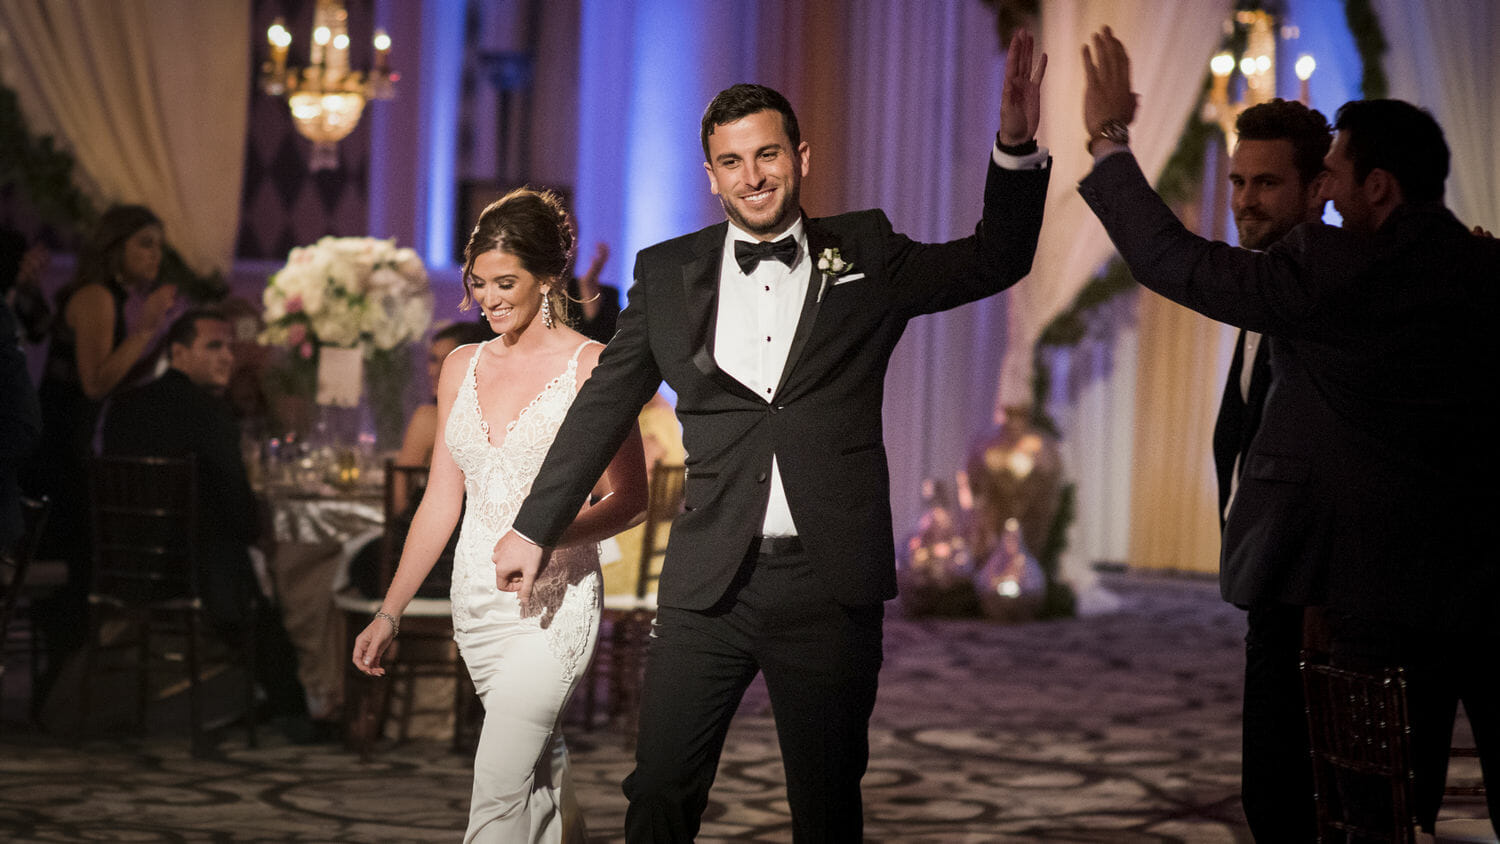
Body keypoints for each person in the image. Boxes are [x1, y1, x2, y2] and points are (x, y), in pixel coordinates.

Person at [492, 29, 1051, 841]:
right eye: (732, 161)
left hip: (828, 584)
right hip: (709, 583)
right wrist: (532, 525)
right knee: (657, 796)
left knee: (826, 807)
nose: (752, 176)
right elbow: (603, 406)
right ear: (710, 174)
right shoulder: (666, 272)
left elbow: (997, 258)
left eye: (768, 155)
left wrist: (1015, 146)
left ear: (801, 157)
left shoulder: (866, 252)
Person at [1079, 27, 1498, 835]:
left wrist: (1109, 141)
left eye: (1331, 178)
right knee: (1390, 800)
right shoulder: (1480, 268)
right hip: (1451, 581)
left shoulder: (1335, 270)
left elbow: (1173, 261)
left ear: (1367, 188)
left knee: (1359, 805)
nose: (1329, 200)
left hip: (1364, 592)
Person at [351, 188, 648, 842]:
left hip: (554, 605)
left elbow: (631, 499)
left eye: (504, 282)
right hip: (477, 604)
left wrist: (547, 536)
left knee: (497, 785)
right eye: (477, 283)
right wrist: (389, 610)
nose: (487, 298)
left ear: (548, 279)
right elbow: (440, 501)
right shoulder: (460, 365)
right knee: (536, 775)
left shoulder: (593, 368)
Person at [102, 308, 316, 738]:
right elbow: (238, 507)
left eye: (229, 347)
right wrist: (259, 534)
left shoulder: (124, 406)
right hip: (189, 573)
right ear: (178, 352)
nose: (227, 357)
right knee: (261, 569)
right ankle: (292, 707)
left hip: (120, 563)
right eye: (213, 346)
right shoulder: (209, 412)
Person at [1210, 99, 1331, 842]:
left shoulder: (1327, 286)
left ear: (1317, 189)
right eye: (1237, 181)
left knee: (1309, 795)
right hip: (1270, 581)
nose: (1245, 201)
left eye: (1266, 184)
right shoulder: (1261, 281)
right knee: (1271, 794)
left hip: (1318, 590)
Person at [23, 205, 177, 693]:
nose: (156, 255)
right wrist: (147, 329)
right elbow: (94, 383)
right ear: (116, 248)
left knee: (83, 567)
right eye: (144, 243)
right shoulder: (96, 296)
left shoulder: (106, 295)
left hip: (70, 448)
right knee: (77, 568)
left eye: (158, 244)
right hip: (57, 453)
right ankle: (58, 692)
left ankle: (63, 690)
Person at [566, 241, 621, 344]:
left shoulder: (608, 295)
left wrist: (588, 285)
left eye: (573, 238)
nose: (569, 247)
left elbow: (610, 341)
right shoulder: (536, 290)